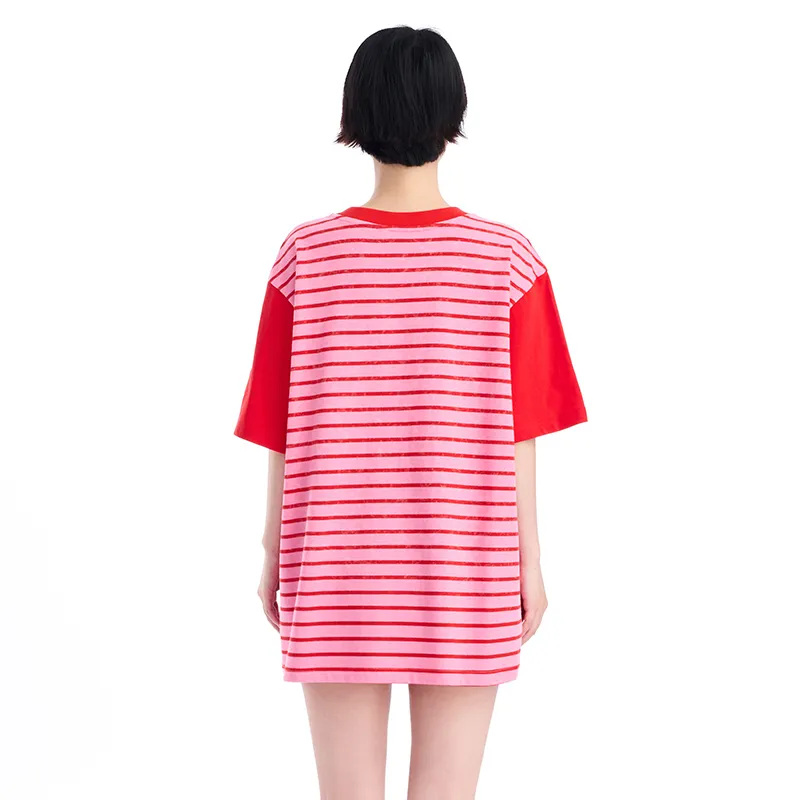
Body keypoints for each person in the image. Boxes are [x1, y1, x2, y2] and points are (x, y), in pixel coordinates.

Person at [234, 25, 587, 800]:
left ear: (355, 111)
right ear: (452, 112)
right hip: (465, 562)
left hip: (335, 564)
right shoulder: (507, 260)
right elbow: (522, 432)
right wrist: (528, 561)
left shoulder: (306, 256)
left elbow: (279, 428)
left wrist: (272, 550)